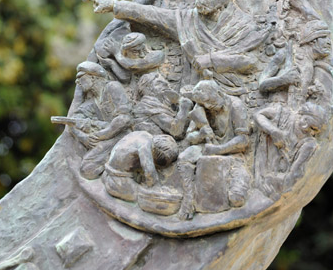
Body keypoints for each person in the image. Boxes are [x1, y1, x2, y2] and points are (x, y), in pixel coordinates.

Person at [83, 0, 264, 92]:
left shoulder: (243, 25)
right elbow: (151, 14)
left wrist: (211, 60)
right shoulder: (187, 20)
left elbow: (251, 61)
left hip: (234, 94)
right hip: (193, 95)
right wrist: (114, 5)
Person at [177, 79, 251, 219]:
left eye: (210, 102)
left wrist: (218, 150)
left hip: (232, 153)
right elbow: (189, 137)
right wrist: (200, 134)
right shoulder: (201, 106)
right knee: (184, 158)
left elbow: (243, 140)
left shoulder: (236, 105)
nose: (208, 106)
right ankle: (188, 199)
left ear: (219, 93)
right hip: (206, 147)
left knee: (237, 197)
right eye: (204, 104)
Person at [68, 61, 132, 180]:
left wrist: (102, 135)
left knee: (88, 167)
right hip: (106, 141)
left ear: (92, 77)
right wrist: (84, 138)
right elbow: (72, 122)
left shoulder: (113, 87)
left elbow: (124, 118)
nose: (77, 82)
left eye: (80, 78)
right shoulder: (91, 102)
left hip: (123, 137)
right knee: (86, 169)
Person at [104, 131, 179, 201]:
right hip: (116, 179)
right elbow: (149, 171)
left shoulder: (144, 134)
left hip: (109, 171)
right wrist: (156, 187)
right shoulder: (145, 147)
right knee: (138, 195)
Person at [133, 72, 193, 139]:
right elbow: (176, 131)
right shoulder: (147, 106)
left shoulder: (164, 104)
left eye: (165, 82)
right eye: (158, 83)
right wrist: (184, 108)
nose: (165, 84)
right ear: (147, 89)